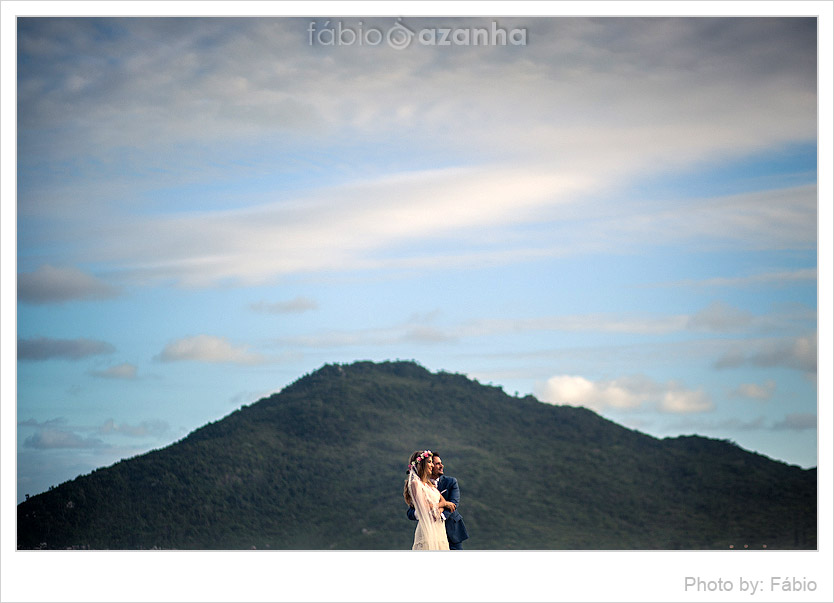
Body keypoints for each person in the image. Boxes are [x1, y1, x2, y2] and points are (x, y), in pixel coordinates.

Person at [406, 451, 469, 550]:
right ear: (423, 464)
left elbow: (453, 504)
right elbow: (412, 511)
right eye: (436, 463)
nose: (441, 466)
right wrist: (441, 505)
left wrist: (439, 512)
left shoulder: (450, 482)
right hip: (429, 528)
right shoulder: (418, 484)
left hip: (451, 530)